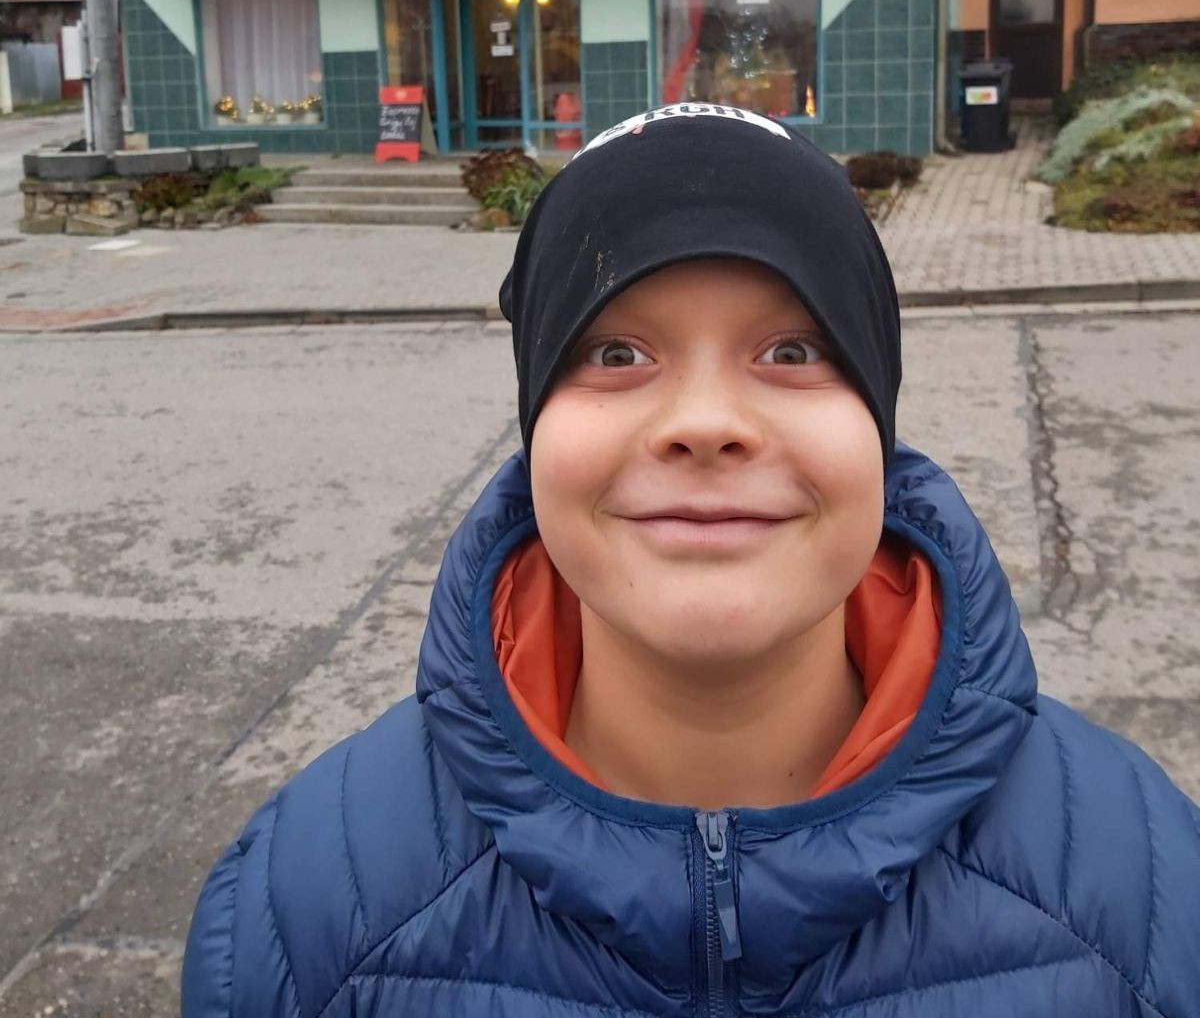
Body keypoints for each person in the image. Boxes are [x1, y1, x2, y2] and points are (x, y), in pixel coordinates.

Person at [182, 105, 1200, 1018]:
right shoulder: (305, 907)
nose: (706, 421)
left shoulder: (1144, 898)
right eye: (616, 353)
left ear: (879, 430)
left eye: (793, 351)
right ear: (535, 432)